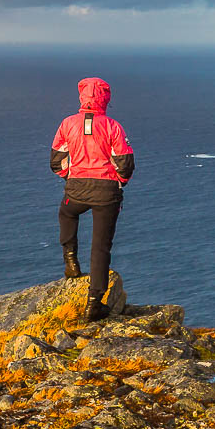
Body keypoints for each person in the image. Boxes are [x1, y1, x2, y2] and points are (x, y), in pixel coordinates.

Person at [50, 77, 135, 320]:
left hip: (76, 188)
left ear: (82, 97)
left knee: (67, 212)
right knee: (100, 246)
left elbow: (56, 161)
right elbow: (125, 164)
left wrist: (70, 176)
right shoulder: (112, 126)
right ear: (105, 98)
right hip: (107, 192)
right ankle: (94, 302)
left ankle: (70, 261)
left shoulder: (67, 124)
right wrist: (119, 182)